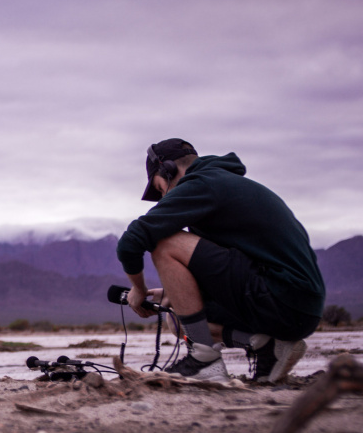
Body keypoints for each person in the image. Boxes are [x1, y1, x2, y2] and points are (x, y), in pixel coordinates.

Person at [116, 138, 325, 383]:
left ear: (168, 170)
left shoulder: (204, 184)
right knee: (178, 316)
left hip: (281, 295)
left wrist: (138, 290)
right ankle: (268, 348)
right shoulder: (225, 185)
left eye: (161, 189)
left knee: (162, 242)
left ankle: (204, 359)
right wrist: (175, 289)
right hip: (300, 308)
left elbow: (132, 241)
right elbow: (237, 263)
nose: (163, 199)